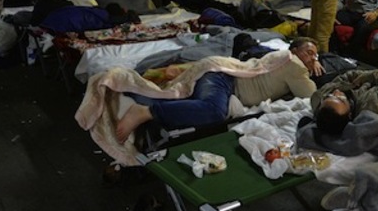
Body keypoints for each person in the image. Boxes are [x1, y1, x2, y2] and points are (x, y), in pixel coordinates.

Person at [113, 37, 323, 142]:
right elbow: (309, 95)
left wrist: (310, 63)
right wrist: (309, 69)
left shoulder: (282, 56)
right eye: (309, 53)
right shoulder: (294, 64)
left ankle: (131, 94)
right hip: (223, 78)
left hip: (220, 72)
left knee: (184, 101)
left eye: (316, 55)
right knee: (213, 111)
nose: (313, 58)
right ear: (294, 50)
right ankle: (145, 111)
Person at [311, 69, 378, 135]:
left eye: (331, 96)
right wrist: (370, 76)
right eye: (341, 99)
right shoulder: (374, 106)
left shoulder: (320, 98)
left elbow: (349, 75)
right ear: (350, 115)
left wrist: (361, 77)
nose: (337, 92)